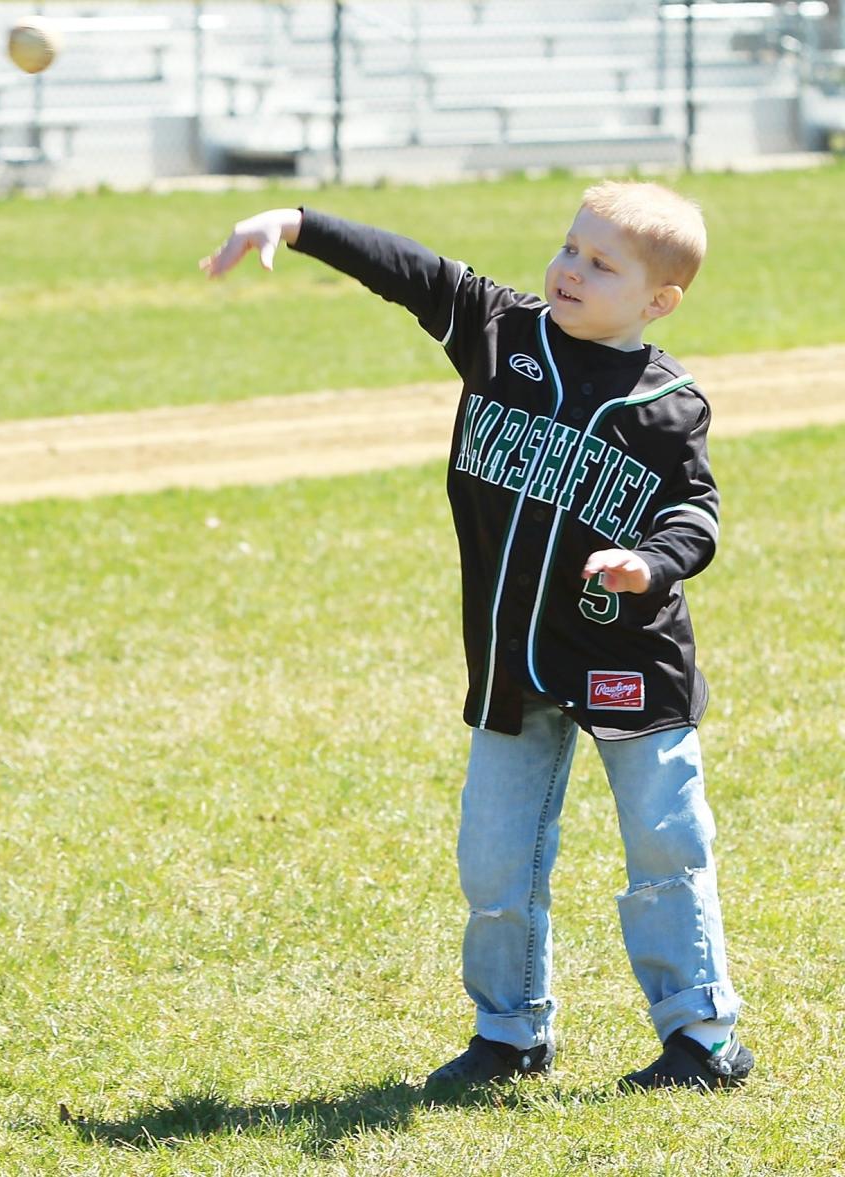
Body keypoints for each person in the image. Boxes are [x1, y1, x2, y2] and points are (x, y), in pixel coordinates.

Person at [201, 181, 753, 1093]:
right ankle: (509, 1032)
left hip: (628, 662)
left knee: (664, 844)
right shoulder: (500, 331)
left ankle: (701, 1035)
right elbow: (411, 270)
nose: (571, 268)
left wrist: (651, 563)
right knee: (495, 860)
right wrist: (296, 226)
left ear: (659, 301)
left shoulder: (669, 404)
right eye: (570, 247)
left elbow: (696, 511)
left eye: (601, 263)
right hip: (512, 660)